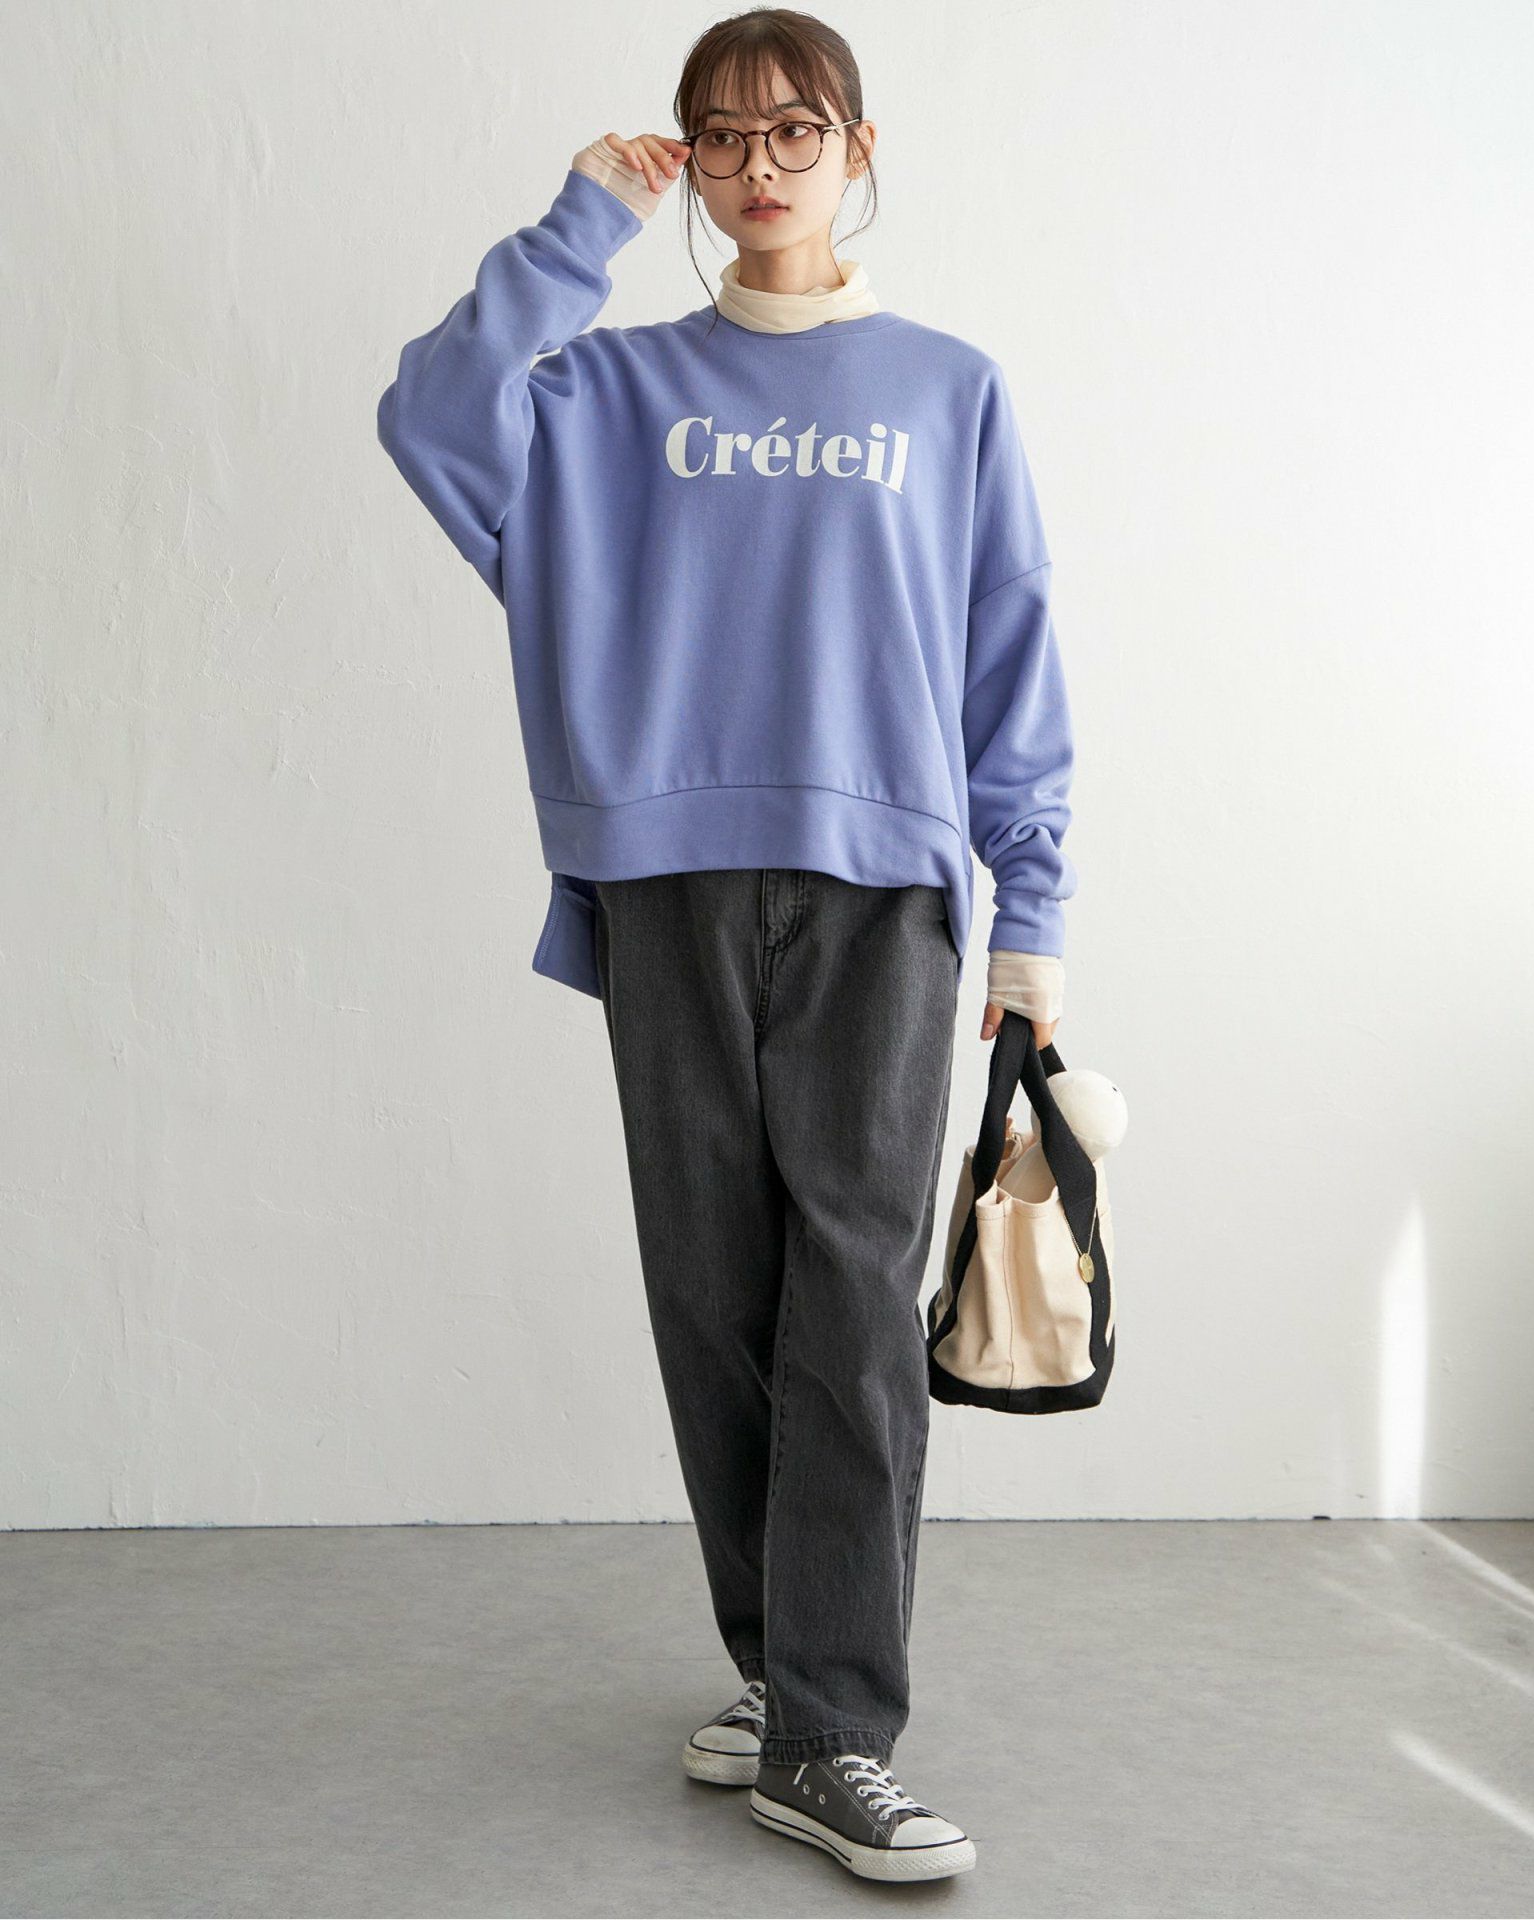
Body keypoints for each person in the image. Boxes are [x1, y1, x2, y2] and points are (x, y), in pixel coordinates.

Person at [377, 6, 1075, 1885]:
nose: (759, 165)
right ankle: (782, 1677)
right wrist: (578, 229)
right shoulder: (604, 391)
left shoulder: (947, 388)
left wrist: (1034, 917)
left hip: (881, 888)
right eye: (723, 135)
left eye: (795, 129)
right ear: (687, 160)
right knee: (713, 1292)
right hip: (667, 878)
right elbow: (428, 421)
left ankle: (833, 1733)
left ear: (859, 148)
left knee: (848, 1295)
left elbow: (1007, 646)